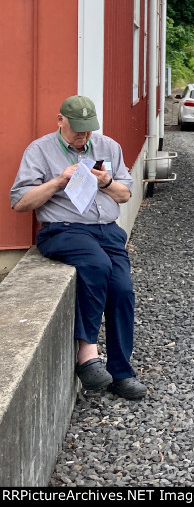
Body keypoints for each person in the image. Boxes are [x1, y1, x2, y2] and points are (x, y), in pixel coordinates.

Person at [9, 95, 146, 400]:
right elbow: (20, 202)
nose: (84, 136)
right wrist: (58, 181)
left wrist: (105, 182)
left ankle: (122, 373)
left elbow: (124, 195)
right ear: (61, 121)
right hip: (63, 229)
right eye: (77, 129)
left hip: (107, 230)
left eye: (88, 129)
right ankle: (87, 352)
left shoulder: (108, 146)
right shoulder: (40, 150)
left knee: (122, 290)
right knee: (96, 265)